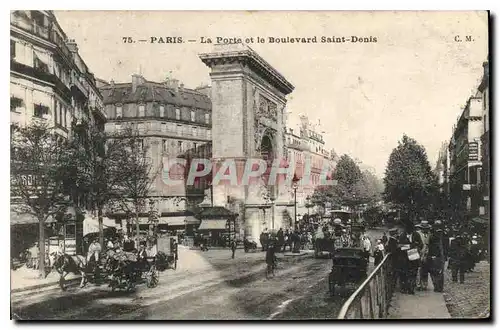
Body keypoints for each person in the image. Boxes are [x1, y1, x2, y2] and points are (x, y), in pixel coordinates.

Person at [398, 223, 423, 294]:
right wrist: (411, 246)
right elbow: (400, 246)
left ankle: (411, 288)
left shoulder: (416, 235)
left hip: (414, 258)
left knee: (413, 273)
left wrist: (416, 247)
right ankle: (405, 288)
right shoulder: (402, 236)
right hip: (405, 258)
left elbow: (421, 244)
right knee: (406, 273)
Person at [427, 223, 445, 292]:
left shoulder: (438, 239)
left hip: (438, 257)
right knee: (436, 272)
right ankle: (437, 286)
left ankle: (438, 287)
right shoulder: (434, 238)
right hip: (435, 256)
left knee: (437, 272)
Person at [416, 220, 431, 290]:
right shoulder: (417, 234)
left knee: (425, 269)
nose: (425, 230)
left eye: (426, 229)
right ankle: (418, 284)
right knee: (419, 269)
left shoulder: (429, 234)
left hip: (427, 254)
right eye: (423, 228)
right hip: (419, 253)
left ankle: (425, 284)